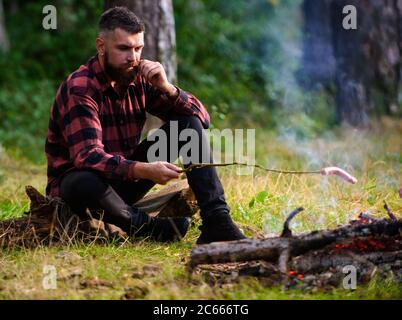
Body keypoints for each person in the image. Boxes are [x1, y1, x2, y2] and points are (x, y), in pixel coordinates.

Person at [45, 6, 246, 244]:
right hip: (81, 195)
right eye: (124, 48)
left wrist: (167, 87)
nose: (133, 57)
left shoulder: (138, 77)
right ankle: (148, 228)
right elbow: (88, 157)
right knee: (81, 180)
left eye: (138, 48)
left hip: (122, 184)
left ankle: (217, 220)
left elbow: (201, 119)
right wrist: (146, 169)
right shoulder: (81, 88)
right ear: (101, 46)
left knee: (187, 125)